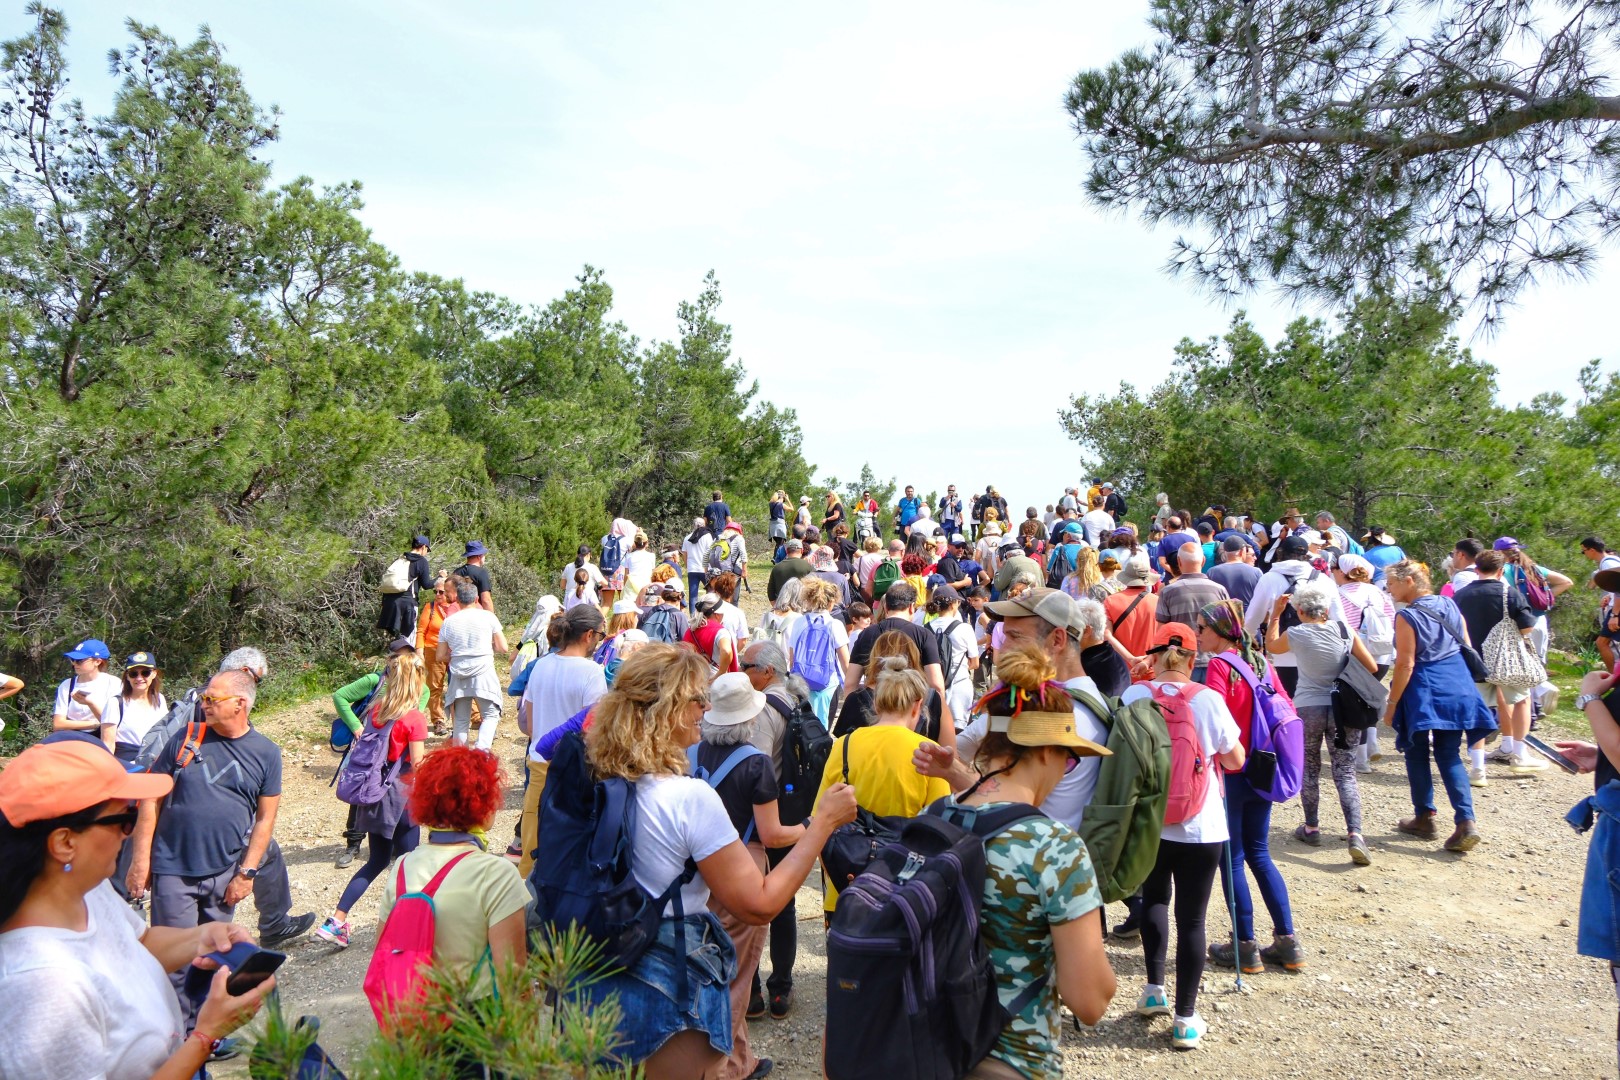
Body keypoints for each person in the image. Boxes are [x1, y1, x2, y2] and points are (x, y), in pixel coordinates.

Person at [567, 645, 857, 1079]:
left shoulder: (596, 776)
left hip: (592, 965)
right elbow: (759, 904)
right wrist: (822, 826)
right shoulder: (686, 796)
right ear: (669, 711)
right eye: (695, 700)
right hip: (666, 975)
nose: (704, 708)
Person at [0, 738, 278, 1080]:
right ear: (65, 842)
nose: (128, 834)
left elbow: (138, 943)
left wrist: (203, 938)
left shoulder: (85, 890)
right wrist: (205, 1036)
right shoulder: (41, 987)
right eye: (125, 817)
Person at [938, 643, 1117, 1078]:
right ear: (1044, 750)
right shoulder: (1052, 847)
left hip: (928, 1051)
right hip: (1010, 1061)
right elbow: (1089, 1002)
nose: (1066, 768)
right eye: (1069, 756)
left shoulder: (933, 819)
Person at [127, 670, 313, 1030]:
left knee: (213, 961)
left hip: (225, 873)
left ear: (240, 704)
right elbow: (150, 796)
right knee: (176, 963)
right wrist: (140, 860)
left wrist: (247, 874)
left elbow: (264, 820)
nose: (204, 704)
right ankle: (178, 1038)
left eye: (212, 699)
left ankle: (205, 1033)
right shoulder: (186, 736)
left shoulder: (267, 752)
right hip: (173, 870)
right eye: (204, 698)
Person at [1127, 623, 1244, 1051]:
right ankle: (1185, 1019)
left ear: (1153, 656)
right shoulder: (1209, 700)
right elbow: (1233, 761)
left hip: (1150, 820)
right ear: (1194, 659)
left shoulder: (1135, 697)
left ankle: (1153, 989)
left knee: (1154, 899)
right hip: (1201, 824)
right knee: (1192, 918)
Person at [695, 673, 809, 1080]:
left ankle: (740, 1059)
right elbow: (773, 833)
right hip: (742, 863)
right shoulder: (756, 763)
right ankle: (723, 1067)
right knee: (738, 974)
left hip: (699, 868)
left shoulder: (694, 752)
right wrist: (812, 827)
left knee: (711, 963)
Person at [1197, 600, 1304, 974]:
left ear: (1220, 630)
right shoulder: (1259, 662)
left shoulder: (1218, 667)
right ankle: (1288, 942)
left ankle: (1245, 944)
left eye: (1202, 628)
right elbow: (1285, 705)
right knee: (1260, 854)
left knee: (1233, 859)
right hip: (1263, 766)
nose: (1197, 634)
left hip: (1232, 770)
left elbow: (1214, 719)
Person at [379, 746, 528, 1003]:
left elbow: (382, 955)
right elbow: (513, 983)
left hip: (415, 1021)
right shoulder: (497, 874)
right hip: (476, 1025)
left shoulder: (403, 866)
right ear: (482, 802)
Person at [817, 660, 953, 914]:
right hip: (907, 891)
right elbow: (940, 829)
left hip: (847, 885)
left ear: (876, 704)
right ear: (917, 706)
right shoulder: (928, 753)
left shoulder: (844, 745)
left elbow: (820, 818)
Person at [313, 650, 428, 949]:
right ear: (416, 682)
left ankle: (336, 921)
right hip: (400, 797)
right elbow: (418, 764)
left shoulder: (377, 710)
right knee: (409, 864)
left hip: (373, 792)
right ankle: (407, 930)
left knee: (376, 860)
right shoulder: (414, 718)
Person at [1382, 560, 1497, 853]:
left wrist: (1392, 703)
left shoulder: (1407, 616)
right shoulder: (1450, 605)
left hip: (1425, 689)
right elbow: (1466, 644)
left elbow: (1406, 664)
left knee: (1416, 751)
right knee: (1449, 754)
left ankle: (1424, 816)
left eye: (1392, 584)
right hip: (1458, 684)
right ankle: (1466, 821)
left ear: (1409, 581)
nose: (1389, 589)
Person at [1265, 580, 1376, 864]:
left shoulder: (1297, 634)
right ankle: (1355, 834)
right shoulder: (1343, 630)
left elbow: (1272, 647)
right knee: (1345, 771)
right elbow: (1372, 667)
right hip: (1342, 708)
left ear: (1300, 611)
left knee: (1310, 766)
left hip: (1308, 705)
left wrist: (1276, 615)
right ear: (1326, 609)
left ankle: (1311, 826)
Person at [737, 640, 810, 1021]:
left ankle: (749, 994)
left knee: (750, 906)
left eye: (747, 665)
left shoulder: (764, 709)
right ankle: (781, 989)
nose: (742, 671)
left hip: (762, 819)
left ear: (767, 671)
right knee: (784, 906)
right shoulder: (798, 698)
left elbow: (758, 768)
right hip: (792, 813)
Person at [1452, 550, 1543, 780]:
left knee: (1477, 712)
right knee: (1522, 700)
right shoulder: (1509, 593)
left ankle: (1477, 768)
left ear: (1476, 568)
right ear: (1501, 570)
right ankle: (1520, 755)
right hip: (1505, 662)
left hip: (1472, 662)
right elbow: (1526, 628)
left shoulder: (1460, 595)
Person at [844, 582, 955, 734]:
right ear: (911, 607)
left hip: (872, 711)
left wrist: (854, 714)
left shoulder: (867, 634)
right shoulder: (924, 635)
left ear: (886, 607)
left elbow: (850, 683)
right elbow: (936, 684)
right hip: (911, 712)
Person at [1243, 534, 1348, 696]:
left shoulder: (1269, 579)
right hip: (1320, 652)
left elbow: (1251, 621)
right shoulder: (1325, 581)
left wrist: (1247, 647)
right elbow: (1340, 622)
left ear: (1281, 553)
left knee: (1292, 704)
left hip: (1284, 654)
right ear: (1306, 556)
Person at [436, 577, 509, 749]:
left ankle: (461, 759)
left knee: (461, 720)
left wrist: (457, 656)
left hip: (459, 674)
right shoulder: (488, 617)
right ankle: (481, 752)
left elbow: (440, 655)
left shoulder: (448, 622)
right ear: (476, 599)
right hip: (483, 672)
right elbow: (503, 647)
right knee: (490, 715)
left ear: (458, 600)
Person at [786, 576, 851, 724]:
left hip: (802, 684)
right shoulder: (835, 625)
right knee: (823, 728)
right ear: (831, 602)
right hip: (827, 684)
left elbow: (792, 659)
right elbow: (845, 662)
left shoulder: (798, 622)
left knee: (804, 727)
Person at [926, 584, 980, 726]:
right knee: (959, 732)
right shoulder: (964, 628)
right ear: (953, 604)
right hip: (959, 684)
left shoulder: (925, 629)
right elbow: (975, 663)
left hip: (931, 688)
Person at [102, 651, 167, 762]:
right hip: (125, 763)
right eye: (133, 673)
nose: (139, 678)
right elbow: (108, 744)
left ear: (154, 674)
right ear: (127, 676)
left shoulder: (159, 699)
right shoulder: (115, 703)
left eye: (145, 673)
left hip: (155, 761)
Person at [416, 577, 460, 734]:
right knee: (435, 687)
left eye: (442, 591)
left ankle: (473, 717)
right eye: (436, 591)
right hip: (433, 649)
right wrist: (419, 650)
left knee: (460, 684)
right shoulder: (431, 607)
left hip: (454, 650)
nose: (438, 594)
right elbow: (421, 630)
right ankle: (438, 721)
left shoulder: (457, 606)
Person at [52, 637, 122, 734]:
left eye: (80, 660)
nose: (74, 664)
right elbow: (58, 724)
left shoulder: (113, 683)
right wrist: (94, 724)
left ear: (97, 661)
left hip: (101, 737)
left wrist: (90, 704)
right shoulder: (67, 685)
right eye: (73, 659)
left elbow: (114, 722)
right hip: (71, 737)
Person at [1105, 555, 1160, 661]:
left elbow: (1107, 635)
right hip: (1151, 665)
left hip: (1121, 667)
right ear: (1147, 579)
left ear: (1126, 578)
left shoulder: (1111, 601)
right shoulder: (1157, 601)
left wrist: (1130, 658)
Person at [378, 534, 435, 637]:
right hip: (407, 604)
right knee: (407, 640)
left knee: (394, 640)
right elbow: (426, 584)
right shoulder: (421, 561)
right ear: (423, 547)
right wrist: (439, 578)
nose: (426, 553)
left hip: (390, 603)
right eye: (427, 550)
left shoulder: (400, 559)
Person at [688, 593, 742, 675]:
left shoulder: (690, 629)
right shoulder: (721, 632)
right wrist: (721, 672)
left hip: (693, 679)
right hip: (715, 682)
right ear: (717, 615)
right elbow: (726, 651)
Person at [1208, 536, 1262, 606]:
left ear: (1225, 552)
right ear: (1242, 551)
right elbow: (1262, 598)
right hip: (1248, 614)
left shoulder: (1211, 572)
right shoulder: (1256, 572)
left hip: (1222, 615)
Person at [682, 519, 714, 612]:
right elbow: (710, 552)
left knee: (693, 595)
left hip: (692, 569)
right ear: (704, 525)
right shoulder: (707, 536)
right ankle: (708, 612)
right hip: (705, 569)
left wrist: (687, 565)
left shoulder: (687, 537)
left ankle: (692, 616)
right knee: (710, 592)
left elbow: (684, 554)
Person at [457, 540, 495, 612]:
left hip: (459, 613)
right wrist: (492, 618)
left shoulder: (456, 572)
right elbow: (486, 600)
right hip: (477, 614)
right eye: (484, 555)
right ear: (479, 556)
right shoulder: (481, 572)